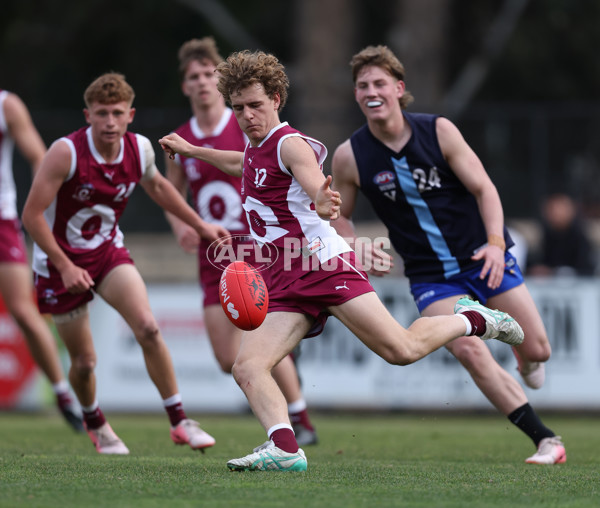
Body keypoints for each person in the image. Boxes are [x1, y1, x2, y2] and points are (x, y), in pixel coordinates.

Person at [159, 50, 524, 472]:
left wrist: (322, 198)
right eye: (238, 108)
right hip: (284, 278)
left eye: (255, 105)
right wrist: (191, 150)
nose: (246, 116)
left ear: (276, 98)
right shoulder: (255, 149)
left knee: (401, 350)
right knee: (248, 366)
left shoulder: (289, 144)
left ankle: (475, 320)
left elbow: (313, 180)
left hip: (323, 266)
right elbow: (239, 163)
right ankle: (284, 448)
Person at [330, 45, 566, 465]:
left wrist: (496, 244)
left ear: (399, 88)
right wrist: (356, 247)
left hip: (483, 257)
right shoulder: (350, 156)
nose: (371, 90)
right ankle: (546, 440)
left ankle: (525, 360)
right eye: (362, 85)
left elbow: (485, 189)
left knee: (540, 350)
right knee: (470, 349)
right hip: (430, 277)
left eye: (380, 82)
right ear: (355, 95)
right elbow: (339, 219)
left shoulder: (438, 131)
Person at [21, 73, 229, 455]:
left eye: (118, 113)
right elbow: (32, 216)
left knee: (149, 327)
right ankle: (95, 422)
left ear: (131, 114)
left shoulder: (140, 149)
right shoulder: (65, 153)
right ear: (88, 115)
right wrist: (65, 266)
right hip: (59, 264)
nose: (110, 122)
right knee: (84, 363)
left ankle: (180, 421)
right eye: (102, 113)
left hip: (107, 253)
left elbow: (159, 187)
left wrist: (199, 225)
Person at [164, 38, 317, 445]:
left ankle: (298, 419)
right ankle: (288, 407)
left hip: (256, 247)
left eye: (207, 74)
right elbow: (170, 190)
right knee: (225, 356)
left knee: (258, 337)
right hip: (213, 252)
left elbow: (269, 164)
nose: (201, 83)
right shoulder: (181, 137)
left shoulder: (249, 122)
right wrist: (182, 222)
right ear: (184, 86)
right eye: (192, 77)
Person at [0, 89, 83, 432]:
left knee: (23, 309)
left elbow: (38, 156)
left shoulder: (6, 105)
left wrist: (44, 207)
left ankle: (62, 393)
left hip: (2, 220)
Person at [528, 192, 596, 277]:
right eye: (551, 209)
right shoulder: (547, 234)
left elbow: (586, 270)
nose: (555, 213)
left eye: (559, 208)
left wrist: (553, 272)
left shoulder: (580, 237)